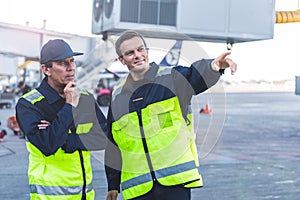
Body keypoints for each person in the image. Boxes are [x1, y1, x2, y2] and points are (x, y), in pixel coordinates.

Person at [105, 31, 237, 200]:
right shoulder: (117, 96)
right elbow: (113, 144)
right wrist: (113, 185)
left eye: (140, 49)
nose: (137, 55)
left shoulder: (171, 78)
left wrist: (213, 66)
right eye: (130, 53)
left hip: (175, 184)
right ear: (122, 60)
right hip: (138, 189)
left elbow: (194, 76)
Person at [15, 39, 107, 200]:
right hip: (50, 196)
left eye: (72, 61)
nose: (71, 67)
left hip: (85, 194)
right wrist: (69, 105)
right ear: (46, 69)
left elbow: (103, 137)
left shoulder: (85, 98)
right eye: (62, 63)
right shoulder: (29, 104)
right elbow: (48, 145)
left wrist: (67, 141)